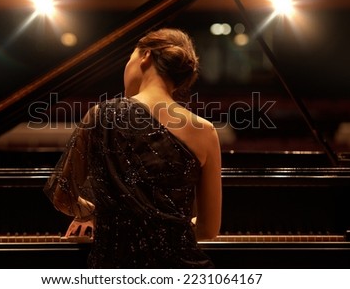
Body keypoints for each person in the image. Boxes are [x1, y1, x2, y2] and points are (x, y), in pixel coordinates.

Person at [44, 27, 222, 268]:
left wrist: (98, 214)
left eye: (129, 58)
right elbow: (209, 228)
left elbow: (62, 194)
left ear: (146, 56)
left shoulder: (101, 115)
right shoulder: (205, 131)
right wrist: (166, 228)